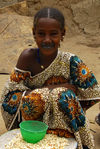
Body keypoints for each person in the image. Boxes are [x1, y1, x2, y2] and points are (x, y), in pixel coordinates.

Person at [1, 7, 100, 149]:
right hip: (32, 121)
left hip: (62, 125)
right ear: (34, 34)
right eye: (41, 34)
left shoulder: (71, 61)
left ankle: (65, 139)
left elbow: (93, 92)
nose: (47, 40)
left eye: (53, 34)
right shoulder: (27, 57)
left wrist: (66, 104)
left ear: (63, 34)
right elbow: (9, 99)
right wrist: (49, 90)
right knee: (54, 94)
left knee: (63, 96)